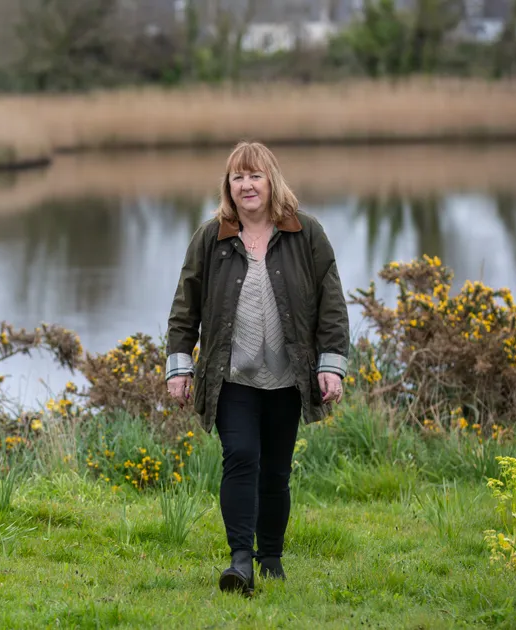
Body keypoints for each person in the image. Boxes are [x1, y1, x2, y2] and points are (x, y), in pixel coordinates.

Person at [164, 140, 350, 595]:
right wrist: (179, 366)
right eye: (237, 177)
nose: (246, 185)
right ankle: (240, 562)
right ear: (228, 186)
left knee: (276, 471)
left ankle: (271, 557)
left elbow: (332, 306)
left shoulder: (307, 234)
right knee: (241, 457)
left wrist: (331, 365)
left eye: (255, 176)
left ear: (272, 181)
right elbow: (184, 307)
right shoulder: (212, 238)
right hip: (232, 377)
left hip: (288, 378)